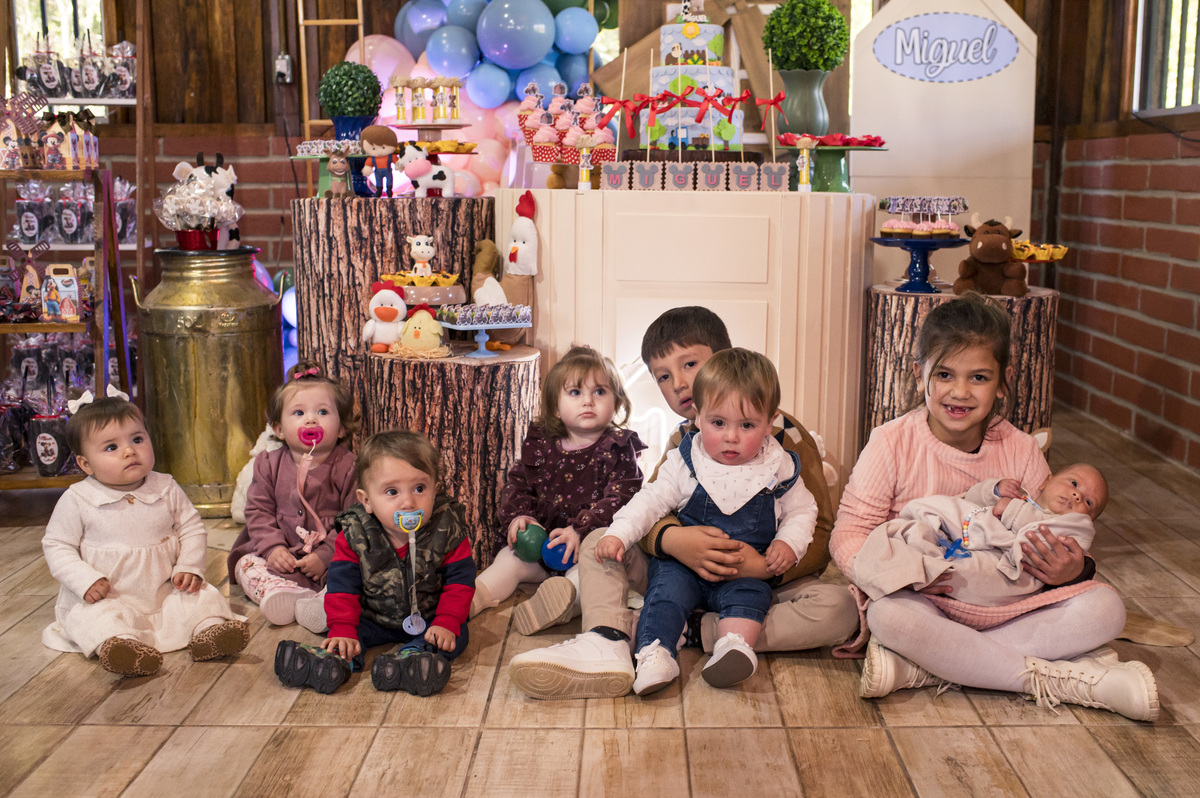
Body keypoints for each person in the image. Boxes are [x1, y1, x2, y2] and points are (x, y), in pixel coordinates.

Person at [834, 293, 1158, 721]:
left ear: (1003, 383)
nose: (960, 392)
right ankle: (1059, 680)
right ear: (919, 375)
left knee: (1106, 608)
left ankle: (930, 667)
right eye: (945, 374)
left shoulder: (1020, 450)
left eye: (979, 378)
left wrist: (1073, 570)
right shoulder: (892, 442)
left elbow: (1054, 528)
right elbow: (850, 533)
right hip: (928, 597)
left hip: (1009, 607)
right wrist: (900, 577)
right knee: (889, 616)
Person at [509, 306, 858, 699]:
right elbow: (651, 503)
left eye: (689, 364)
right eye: (663, 376)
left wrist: (765, 567)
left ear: (724, 358)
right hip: (679, 572)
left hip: (758, 580)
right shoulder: (682, 444)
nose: (678, 383)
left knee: (839, 609)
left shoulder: (785, 443)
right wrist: (675, 542)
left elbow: (819, 527)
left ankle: (691, 632)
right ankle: (606, 639)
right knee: (599, 541)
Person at [594, 349, 818, 694]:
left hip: (744, 569)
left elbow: (803, 510)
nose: (731, 437)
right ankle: (656, 652)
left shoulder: (779, 465)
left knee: (751, 597)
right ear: (698, 417)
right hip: (683, 566)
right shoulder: (685, 460)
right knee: (664, 592)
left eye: (747, 426)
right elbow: (650, 501)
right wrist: (620, 534)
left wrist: (788, 543)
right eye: (718, 424)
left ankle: (733, 645)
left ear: (770, 421)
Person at [42, 386, 248, 677]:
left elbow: (191, 528)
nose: (130, 451)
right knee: (97, 619)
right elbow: (57, 545)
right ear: (85, 464)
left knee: (202, 598)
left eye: (137, 439)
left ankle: (210, 633)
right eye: (111, 447)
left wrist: (189, 565)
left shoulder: (164, 487)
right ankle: (122, 648)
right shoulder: (79, 499)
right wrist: (85, 581)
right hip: (109, 596)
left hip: (165, 589)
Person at [274, 429, 476, 696]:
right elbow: (343, 587)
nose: (408, 502)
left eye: (419, 488)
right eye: (392, 491)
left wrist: (446, 621)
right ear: (366, 501)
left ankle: (412, 659)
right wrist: (344, 629)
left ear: (436, 491)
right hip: (372, 618)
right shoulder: (356, 534)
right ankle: (335, 661)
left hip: (428, 617)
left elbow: (460, 582)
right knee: (345, 631)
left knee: (457, 634)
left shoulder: (447, 528)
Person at [471, 345, 645, 635]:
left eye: (600, 392)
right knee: (508, 560)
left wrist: (580, 529)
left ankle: (556, 605)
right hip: (542, 548)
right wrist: (521, 517)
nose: (588, 401)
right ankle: (474, 598)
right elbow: (519, 484)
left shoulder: (617, 448)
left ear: (616, 402)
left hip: (589, 551)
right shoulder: (543, 445)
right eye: (575, 393)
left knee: (588, 581)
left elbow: (621, 497)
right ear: (555, 405)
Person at [854, 465, 1107, 606]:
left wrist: (1013, 512)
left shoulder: (1073, 525)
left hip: (1004, 566)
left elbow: (1047, 545)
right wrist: (993, 490)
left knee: (1105, 606)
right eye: (1073, 484)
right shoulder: (1021, 494)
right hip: (959, 533)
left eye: (1088, 501)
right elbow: (970, 500)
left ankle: (932, 578)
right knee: (910, 529)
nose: (1076, 496)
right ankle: (915, 567)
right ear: (1045, 482)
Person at [226, 362, 358, 627]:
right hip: (278, 556)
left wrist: (326, 555)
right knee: (246, 565)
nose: (311, 419)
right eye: (298, 412)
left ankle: (325, 601)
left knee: (354, 571)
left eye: (322, 412)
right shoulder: (268, 463)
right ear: (279, 429)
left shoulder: (349, 466)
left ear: (342, 428)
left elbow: (354, 519)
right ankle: (278, 593)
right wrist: (273, 548)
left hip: (328, 558)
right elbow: (258, 511)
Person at [360, 125, 399, 198]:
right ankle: (379, 190)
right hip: (378, 172)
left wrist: (399, 165)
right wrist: (367, 169)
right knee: (379, 182)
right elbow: (368, 165)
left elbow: (397, 162)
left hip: (388, 171)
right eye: (373, 148)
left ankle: (389, 190)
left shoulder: (390, 156)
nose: (379, 151)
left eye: (383, 147)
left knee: (389, 181)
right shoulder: (372, 158)